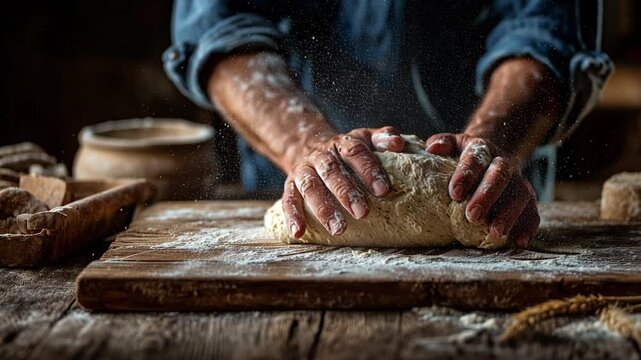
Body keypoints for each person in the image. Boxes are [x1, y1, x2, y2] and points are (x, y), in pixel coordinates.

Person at [163, 0, 612, 247]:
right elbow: (218, 29)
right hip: (292, 181)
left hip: (495, 200)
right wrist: (304, 143)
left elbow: (543, 30)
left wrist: (489, 142)